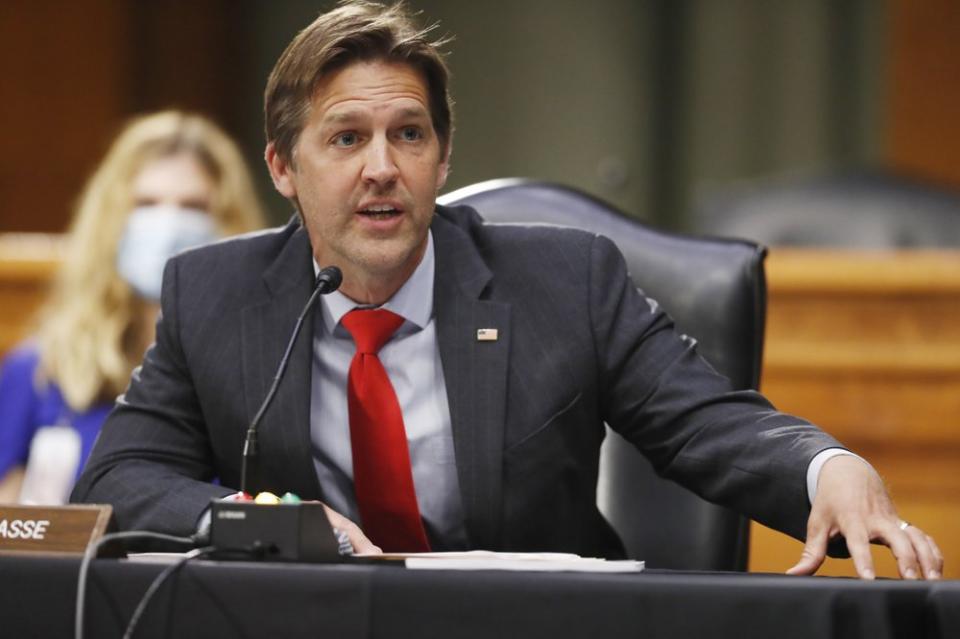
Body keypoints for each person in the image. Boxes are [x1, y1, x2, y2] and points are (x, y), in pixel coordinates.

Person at [72, 1, 942, 580]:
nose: (382, 168)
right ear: (283, 168)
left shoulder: (566, 281)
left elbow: (705, 421)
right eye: (346, 139)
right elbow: (121, 478)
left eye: (408, 134)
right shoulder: (217, 295)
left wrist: (825, 465)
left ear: (443, 158)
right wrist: (276, 524)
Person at [0, 111, 266, 504]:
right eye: (146, 202)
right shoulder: (40, 371)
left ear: (229, 224)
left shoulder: (261, 370)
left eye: (193, 205)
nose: (168, 222)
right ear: (111, 221)